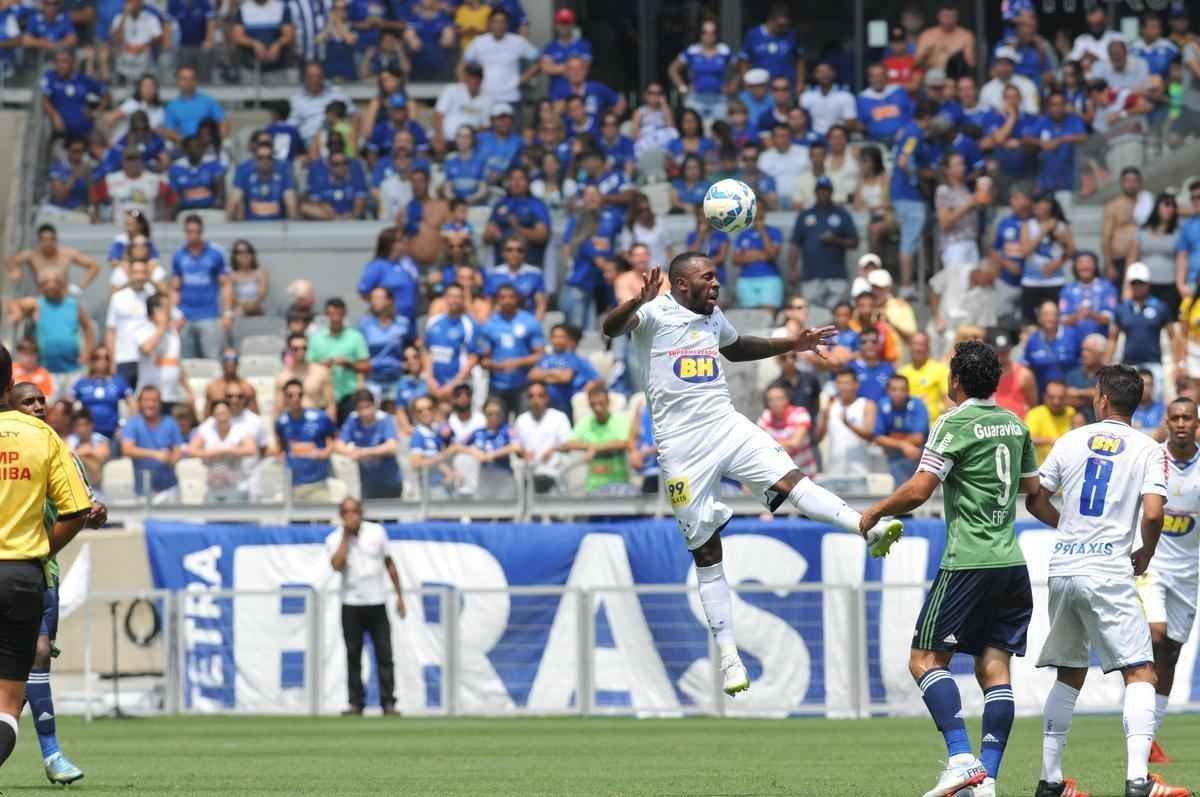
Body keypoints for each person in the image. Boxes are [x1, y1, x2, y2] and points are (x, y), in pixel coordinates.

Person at [602, 252, 903, 697]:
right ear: (682, 285)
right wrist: (633, 303)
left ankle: (864, 526)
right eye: (707, 278)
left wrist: (792, 344)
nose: (716, 285)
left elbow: (736, 347)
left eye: (716, 277)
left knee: (792, 479)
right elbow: (610, 329)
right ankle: (728, 656)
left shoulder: (712, 315)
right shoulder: (653, 313)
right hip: (682, 450)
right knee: (706, 553)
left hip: (726, 425)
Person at [858, 341, 1037, 797]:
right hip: (1012, 563)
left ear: (955, 381)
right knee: (995, 669)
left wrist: (877, 510)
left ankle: (960, 758)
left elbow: (920, 490)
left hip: (969, 563)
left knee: (923, 661)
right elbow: (1035, 496)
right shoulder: (1016, 426)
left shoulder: (953, 423)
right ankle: (988, 780)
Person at [1026, 365, 1189, 797]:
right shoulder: (1148, 449)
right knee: (1140, 672)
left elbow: (1035, 498)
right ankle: (1139, 781)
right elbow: (1153, 513)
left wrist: (1067, 527)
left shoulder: (1070, 439)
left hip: (1063, 568)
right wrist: (1146, 552)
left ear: (1101, 398)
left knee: (1069, 674)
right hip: (1108, 570)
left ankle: (1050, 781)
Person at [1, 378, 94, 785]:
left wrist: (45, 551)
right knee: (19, 670)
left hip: (40, 568)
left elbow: (80, 502)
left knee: (35, 656)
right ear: (10, 401)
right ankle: (48, 750)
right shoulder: (30, 443)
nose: (38, 406)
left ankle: (51, 752)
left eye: (42, 400)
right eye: (29, 401)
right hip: (23, 566)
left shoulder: (52, 446)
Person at [1135, 397, 1200, 765]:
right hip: (1152, 566)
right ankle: (1138, 725)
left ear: (1196, 424)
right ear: (1166, 421)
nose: (1180, 423)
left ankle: (1151, 735)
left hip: (1189, 571)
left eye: (1186, 418)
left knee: (1171, 652)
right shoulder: (1151, 457)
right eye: (1174, 417)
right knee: (1154, 635)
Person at [326, 497, 404, 717]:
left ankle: (388, 702)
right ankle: (355, 703)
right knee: (353, 655)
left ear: (361, 513)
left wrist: (400, 596)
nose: (352, 517)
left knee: (384, 654)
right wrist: (345, 538)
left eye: (355, 512)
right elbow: (336, 566)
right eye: (347, 513)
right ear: (342, 516)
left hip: (377, 601)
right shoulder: (334, 539)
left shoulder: (377, 532)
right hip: (351, 603)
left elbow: (389, 563)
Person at [6, 269, 94, 399]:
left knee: (72, 407)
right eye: (46, 282)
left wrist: (87, 353)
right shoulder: (36, 304)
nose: (51, 285)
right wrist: (17, 312)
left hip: (73, 369)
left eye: (56, 281)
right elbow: (12, 305)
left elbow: (87, 328)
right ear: (41, 286)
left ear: (63, 284)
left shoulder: (73, 305)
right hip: (46, 370)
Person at [788, 176, 858, 309]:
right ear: (815, 192)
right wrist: (792, 269)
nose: (823, 193)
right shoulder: (805, 215)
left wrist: (836, 240)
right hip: (811, 276)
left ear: (831, 192)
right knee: (812, 317)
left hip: (836, 276)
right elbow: (794, 244)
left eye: (826, 190)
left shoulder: (842, 214)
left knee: (837, 315)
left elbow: (854, 242)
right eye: (820, 190)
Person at [1108, 263, 1177, 395]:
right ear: (1130, 285)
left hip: (1154, 363)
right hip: (1128, 364)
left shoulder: (1160, 307)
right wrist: (1107, 362)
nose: (1138, 287)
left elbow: (1172, 335)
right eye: (1134, 283)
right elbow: (1113, 338)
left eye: (1141, 283)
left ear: (1148, 284)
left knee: (1155, 398)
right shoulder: (1122, 309)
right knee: (1128, 401)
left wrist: (1178, 363)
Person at [476, 284, 544, 414]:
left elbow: (540, 355)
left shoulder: (530, 322)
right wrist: (495, 365)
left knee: (523, 425)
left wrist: (516, 362)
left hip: (524, 385)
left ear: (517, 299)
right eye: (503, 297)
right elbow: (483, 359)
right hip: (497, 385)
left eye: (511, 297)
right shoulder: (489, 325)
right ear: (497, 300)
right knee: (496, 425)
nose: (507, 300)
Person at [172, 215, 231, 359]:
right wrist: (174, 314)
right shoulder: (179, 255)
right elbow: (175, 287)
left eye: (196, 231)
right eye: (189, 231)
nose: (192, 235)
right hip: (185, 315)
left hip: (209, 314)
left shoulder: (215, 253)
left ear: (201, 231)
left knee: (213, 359)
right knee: (185, 360)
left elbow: (226, 284)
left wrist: (227, 313)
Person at [308, 298, 371, 423]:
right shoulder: (316, 339)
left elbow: (367, 366)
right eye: (331, 314)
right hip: (324, 397)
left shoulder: (356, 337)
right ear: (326, 315)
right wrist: (323, 366)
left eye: (339, 314)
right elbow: (309, 367)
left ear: (344, 314)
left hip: (349, 396)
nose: (335, 318)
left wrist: (349, 364)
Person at [275, 378, 337, 502]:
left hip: (318, 483)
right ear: (285, 398)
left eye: (299, 394)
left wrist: (325, 452)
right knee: (296, 521)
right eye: (290, 395)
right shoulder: (281, 422)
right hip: (294, 485)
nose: (295, 398)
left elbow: (334, 439)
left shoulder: (319, 417)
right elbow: (282, 447)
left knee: (323, 519)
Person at [121, 385, 184, 503]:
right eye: (146, 400)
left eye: (154, 400)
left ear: (160, 403)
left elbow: (178, 450)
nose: (150, 404)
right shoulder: (133, 423)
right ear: (140, 403)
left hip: (168, 489)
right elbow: (127, 449)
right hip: (142, 491)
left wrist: (170, 459)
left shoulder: (170, 422)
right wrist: (155, 454)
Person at [133, 293, 194, 415]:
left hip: (173, 397)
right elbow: (147, 349)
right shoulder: (142, 329)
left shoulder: (173, 333)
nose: (170, 311)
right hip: (150, 399)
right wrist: (161, 326)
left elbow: (177, 364)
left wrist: (188, 390)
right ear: (155, 311)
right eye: (166, 308)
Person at [337, 390, 401, 500]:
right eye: (360, 408)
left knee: (390, 515)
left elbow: (392, 447)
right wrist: (351, 452)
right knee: (368, 516)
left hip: (390, 480)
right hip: (367, 483)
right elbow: (339, 444)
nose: (364, 412)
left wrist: (364, 452)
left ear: (374, 405)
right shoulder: (353, 419)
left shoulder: (385, 419)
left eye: (367, 407)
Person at [668, 17, 734, 125]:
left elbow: (740, 68)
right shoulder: (692, 51)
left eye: (712, 32)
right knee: (692, 129)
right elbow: (672, 69)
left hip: (719, 99)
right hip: (696, 98)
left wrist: (732, 86)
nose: (709, 36)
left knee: (721, 131)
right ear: (700, 34)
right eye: (705, 32)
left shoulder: (724, 50)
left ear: (717, 34)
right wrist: (682, 87)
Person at [189, 399, 257, 503]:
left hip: (236, 485)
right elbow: (192, 450)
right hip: (213, 487)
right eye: (218, 414)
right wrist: (217, 452)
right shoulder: (207, 430)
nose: (222, 417)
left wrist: (228, 451)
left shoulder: (240, 430)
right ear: (213, 416)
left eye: (224, 413)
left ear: (230, 413)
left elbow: (251, 449)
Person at [528, 324, 600, 420]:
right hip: (547, 405)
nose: (558, 340)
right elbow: (532, 375)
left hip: (566, 404)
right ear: (550, 339)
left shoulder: (573, 358)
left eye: (561, 337)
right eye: (555, 337)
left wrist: (545, 375)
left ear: (568, 339)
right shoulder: (545, 358)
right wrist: (556, 373)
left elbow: (565, 378)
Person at [1129, 192, 1184, 311]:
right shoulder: (1142, 230)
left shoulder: (1179, 231)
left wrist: (1181, 283)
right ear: (1157, 206)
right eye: (1167, 204)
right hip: (1144, 283)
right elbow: (1132, 258)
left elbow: (1182, 259)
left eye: (1174, 206)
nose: (1170, 209)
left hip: (1170, 284)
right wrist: (1127, 287)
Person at [873, 373, 930, 487]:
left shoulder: (917, 405)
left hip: (918, 460)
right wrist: (904, 445)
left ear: (908, 391)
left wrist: (891, 441)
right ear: (887, 391)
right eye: (894, 389)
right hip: (892, 461)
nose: (898, 393)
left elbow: (918, 438)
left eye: (902, 389)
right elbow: (878, 438)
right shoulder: (882, 405)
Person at [6, 224, 100, 293]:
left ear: (56, 239)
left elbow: (94, 266)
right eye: (44, 240)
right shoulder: (32, 255)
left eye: (51, 239)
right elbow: (11, 260)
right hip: (42, 298)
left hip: (64, 297)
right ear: (39, 241)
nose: (48, 243)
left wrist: (80, 288)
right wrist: (15, 270)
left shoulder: (67, 253)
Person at [756, 384, 815, 478]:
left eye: (779, 398)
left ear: (787, 399)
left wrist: (771, 446)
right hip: (780, 477)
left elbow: (796, 443)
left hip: (804, 475)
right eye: (771, 400)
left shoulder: (800, 413)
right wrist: (786, 444)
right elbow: (758, 447)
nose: (775, 403)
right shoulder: (765, 416)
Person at [276, 334, 336, 418]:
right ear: (289, 350)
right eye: (295, 349)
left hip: (315, 423)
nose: (300, 352)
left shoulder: (321, 372)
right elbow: (278, 409)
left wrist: (330, 427)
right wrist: (276, 430)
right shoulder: (283, 376)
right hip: (292, 424)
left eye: (304, 348)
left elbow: (331, 405)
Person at [900, 332, 951, 421]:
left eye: (921, 344)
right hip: (906, 425)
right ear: (910, 347)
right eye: (914, 344)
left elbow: (949, 401)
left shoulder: (940, 370)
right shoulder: (901, 373)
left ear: (928, 348)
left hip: (932, 427)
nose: (917, 348)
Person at [1025, 380, 1079, 464]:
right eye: (1051, 397)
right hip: (1042, 467)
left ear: (1067, 398)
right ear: (1044, 397)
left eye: (1061, 398)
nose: (1056, 401)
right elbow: (1029, 438)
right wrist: (1054, 441)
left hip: (1067, 466)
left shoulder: (1072, 413)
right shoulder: (1035, 413)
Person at [1066, 333, 1108, 424]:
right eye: (1083, 350)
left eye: (1089, 351)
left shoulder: (1109, 374)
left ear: (1100, 354)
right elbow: (1068, 398)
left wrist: (1078, 393)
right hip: (1077, 425)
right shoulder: (1073, 375)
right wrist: (1093, 396)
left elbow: (1108, 398)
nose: (1083, 354)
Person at [1132, 369, 1166, 439]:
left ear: (1153, 386)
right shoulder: (1128, 408)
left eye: (1148, 385)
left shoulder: (1162, 408)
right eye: (1141, 385)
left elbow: (1161, 435)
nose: (1144, 388)